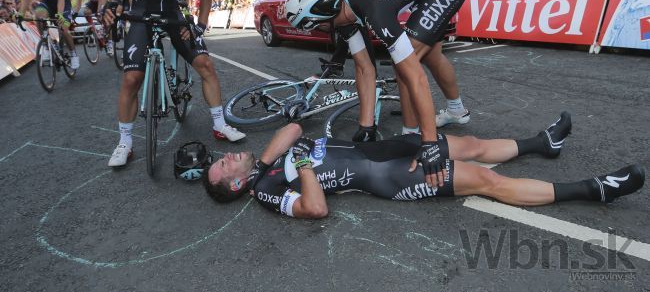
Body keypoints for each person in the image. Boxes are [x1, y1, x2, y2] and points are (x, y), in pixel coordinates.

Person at [203, 114, 645, 218]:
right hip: (386, 176)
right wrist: (300, 168)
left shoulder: (262, 169)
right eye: (223, 167)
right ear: (237, 185)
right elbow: (316, 209)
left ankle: (541, 142)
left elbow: (295, 128)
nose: (225, 157)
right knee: (487, 182)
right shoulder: (266, 192)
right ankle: (592, 189)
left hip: (385, 148)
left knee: (468, 143)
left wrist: (263, 162)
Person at [286, 0, 471, 184]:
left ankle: (412, 135)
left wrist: (430, 143)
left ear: (321, 16)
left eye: (315, 27)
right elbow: (364, 68)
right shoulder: (342, 11)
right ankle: (457, 110)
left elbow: (415, 76)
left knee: (406, 62)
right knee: (430, 52)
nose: (319, 32)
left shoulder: (374, 8)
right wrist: (366, 126)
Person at [103, 0, 245, 167]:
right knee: (132, 79)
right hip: (142, 13)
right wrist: (116, 2)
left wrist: (200, 26)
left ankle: (219, 124)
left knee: (205, 64)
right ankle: (125, 141)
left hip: (173, 13)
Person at [18, 0, 80, 69]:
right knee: (39, 16)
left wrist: (60, 14)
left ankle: (73, 54)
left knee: (63, 27)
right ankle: (46, 45)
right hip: (46, 0)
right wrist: (21, 13)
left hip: (62, 1)